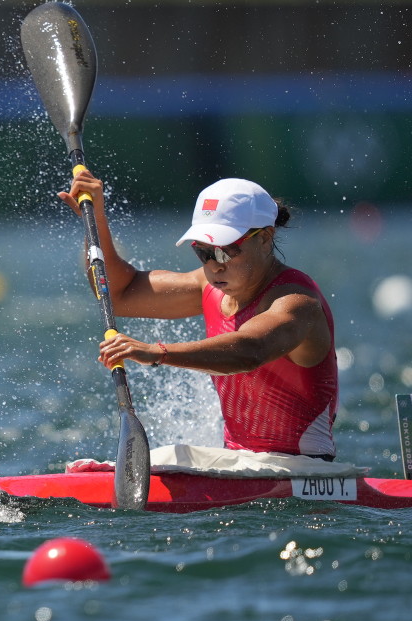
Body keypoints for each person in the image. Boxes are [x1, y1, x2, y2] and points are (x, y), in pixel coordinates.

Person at [58, 171, 338, 460]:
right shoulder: (209, 288)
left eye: (226, 251)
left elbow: (250, 351)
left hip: (305, 469)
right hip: (239, 463)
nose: (214, 266)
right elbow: (119, 295)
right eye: (203, 253)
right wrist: (97, 220)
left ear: (265, 238)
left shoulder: (297, 302)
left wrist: (156, 352)